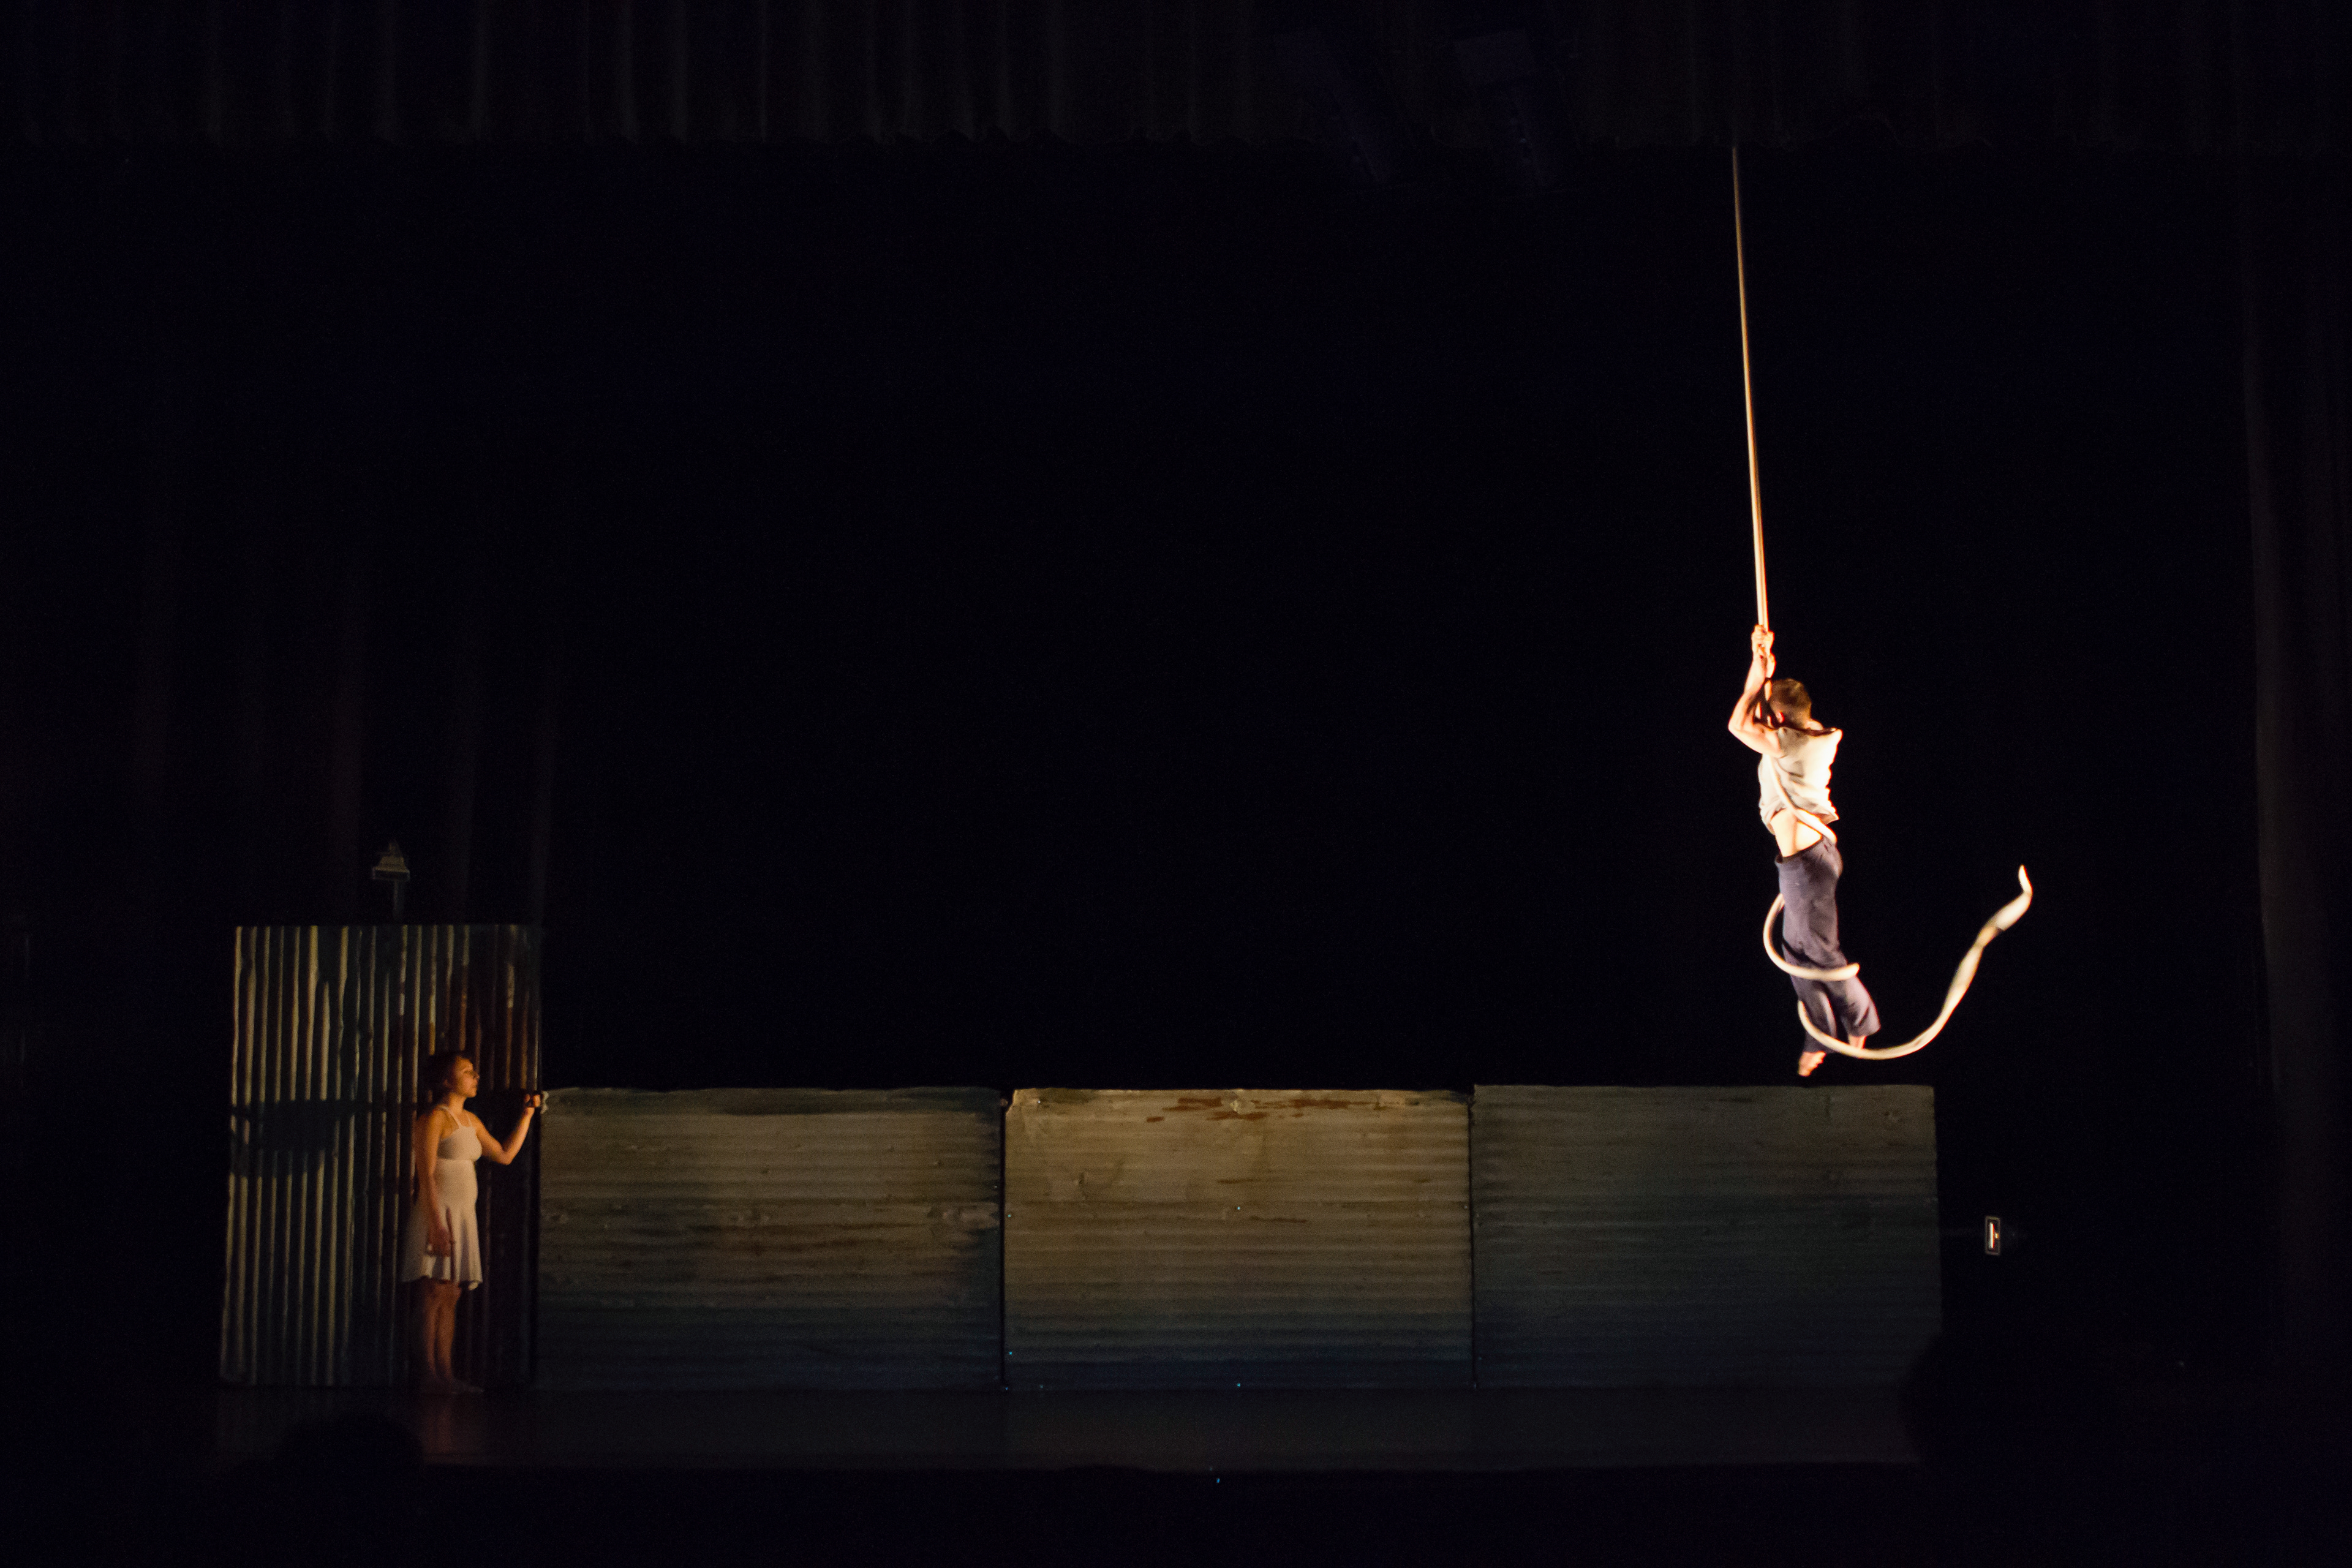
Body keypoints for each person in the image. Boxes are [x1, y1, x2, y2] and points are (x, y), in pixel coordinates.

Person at [1727, 624, 1880, 1076]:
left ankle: (1859, 1022)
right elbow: (1760, 714)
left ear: (1779, 720)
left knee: (1817, 952)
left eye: (1769, 717)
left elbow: (1738, 724)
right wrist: (1760, 667)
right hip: (1809, 859)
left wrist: (1756, 681)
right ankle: (1821, 1034)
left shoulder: (1788, 743)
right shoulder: (1812, 733)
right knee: (1797, 952)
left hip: (1807, 866)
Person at [400, 1050, 542, 1392]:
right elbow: (425, 1175)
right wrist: (436, 1224)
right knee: (431, 1293)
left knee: (451, 1294)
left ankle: (445, 1375)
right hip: (437, 1213)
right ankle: (427, 1376)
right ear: (446, 1080)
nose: (475, 1077)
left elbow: (504, 1155)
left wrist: (526, 1116)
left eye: (474, 1071)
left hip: (462, 1216)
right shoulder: (434, 1118)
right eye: (467, 1072)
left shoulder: (471, 1121)